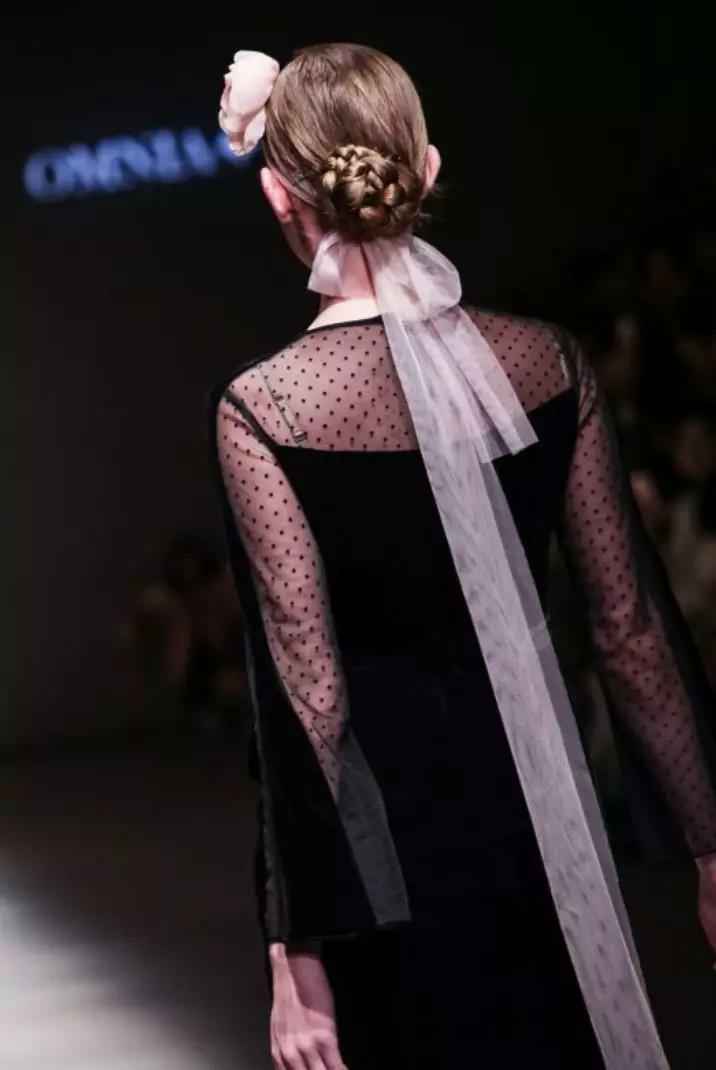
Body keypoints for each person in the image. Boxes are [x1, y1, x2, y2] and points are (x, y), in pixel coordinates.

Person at [207, 44, 716, 1069]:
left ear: (276, 193)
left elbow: (309, 696)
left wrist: (292, 947)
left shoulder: (266, 410)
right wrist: (710, 844)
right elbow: (627, 630)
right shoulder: (547, 362)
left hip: (387, 876)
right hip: (550, 844)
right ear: (425, 167)